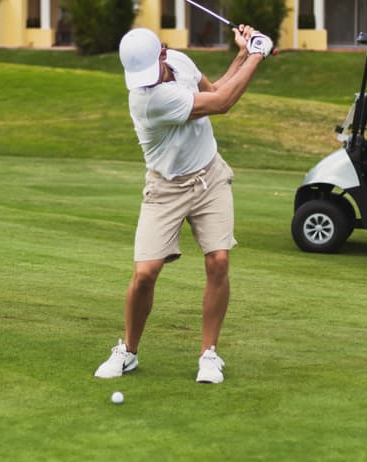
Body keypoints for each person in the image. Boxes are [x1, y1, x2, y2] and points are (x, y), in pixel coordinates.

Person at [94, 24, 273, 384]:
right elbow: (222, 105)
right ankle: (128, 350)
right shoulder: (147, 100)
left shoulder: (179, 61)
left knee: (218, 261)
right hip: (165, 188)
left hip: (209, 175)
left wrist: (241, 54)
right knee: (145, 274)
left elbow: (215, 90)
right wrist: (257, 54)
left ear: (163, 53)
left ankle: (209, 354)